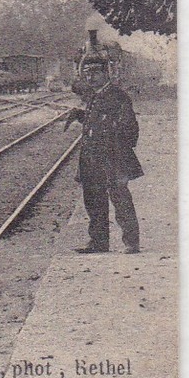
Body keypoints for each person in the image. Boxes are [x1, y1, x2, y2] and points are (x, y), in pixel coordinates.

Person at [64, 57, 142, 254]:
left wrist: (116, 149)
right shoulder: (95, 95)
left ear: (106, 73)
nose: (90, 77)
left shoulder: (118, 96)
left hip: (112, 157)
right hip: (91, 157)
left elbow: (130, 128)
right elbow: (99, 121)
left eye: (95, 73)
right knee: (93, 199)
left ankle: (131, 242)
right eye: (87, 73)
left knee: (120, 198)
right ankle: (98, 242)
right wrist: (80, 116)